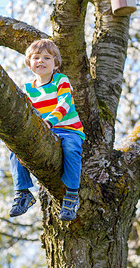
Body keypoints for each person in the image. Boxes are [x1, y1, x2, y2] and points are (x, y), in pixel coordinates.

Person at [9, 39, 85, 221]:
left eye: (47, 57)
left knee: (71, 149)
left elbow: (65, 102)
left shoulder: (61, 80)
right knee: (15, 147)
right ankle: (23, 191)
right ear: (29, 63)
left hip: (67, 129)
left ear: (55, 63)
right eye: (36, 57)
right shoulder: (27, 88)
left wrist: (49, 122)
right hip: (43, 131)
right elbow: (24, 113)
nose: (41, 61)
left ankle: (72, 194)